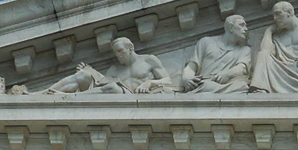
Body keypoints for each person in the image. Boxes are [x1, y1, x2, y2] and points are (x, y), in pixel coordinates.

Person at [44, 37, 179, 94]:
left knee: (112, 88)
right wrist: (91, 72)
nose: (118, 55)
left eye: (121, 51)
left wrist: (149, 83)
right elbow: (103, 84)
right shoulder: (115, 69)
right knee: (82, 75)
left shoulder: (149, 60)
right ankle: (42, 94)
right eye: (116, 53)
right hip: (119, 95)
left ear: (130, 47)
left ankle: (68, 98)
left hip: (135, 98)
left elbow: (168, 81)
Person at [250, 0, 298, 94]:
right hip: (282, 70)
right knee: (262, 55)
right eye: (274, 15)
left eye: (278, 14)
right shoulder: (278, 35)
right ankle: (260, 91)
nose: (275, 18)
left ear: (290, 12)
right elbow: (265, 52)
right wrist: (269, 31)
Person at [182, 15, 255, 93]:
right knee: (206, 86)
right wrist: (186, 78)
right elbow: (191, 67)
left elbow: (242, 68)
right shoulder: (206, 42)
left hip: (231, 86)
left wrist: (227, 74)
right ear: (231, 27)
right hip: (206, 84)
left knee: (242, 86)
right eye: (241, 25)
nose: (246, 29)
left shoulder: (244, 50)